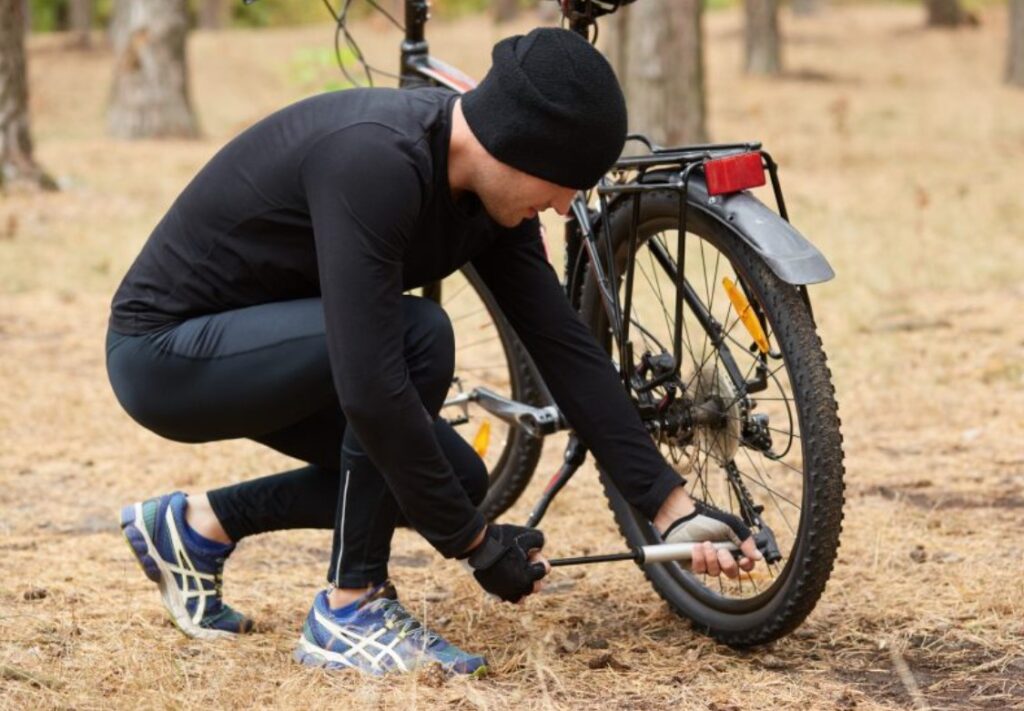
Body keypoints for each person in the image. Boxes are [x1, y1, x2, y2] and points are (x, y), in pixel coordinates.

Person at [107, 27, 762, 677]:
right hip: (167, 355)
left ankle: (196, 525)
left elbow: (566, 350)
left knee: (457, 481)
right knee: (421, 335)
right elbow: (370, 388)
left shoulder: (489, 205)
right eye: (566, 184)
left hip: (270, 351)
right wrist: (476, 547)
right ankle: (351, 605)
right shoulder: (377, 162)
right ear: (522, 146)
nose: (566, 207)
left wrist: (671, 507)